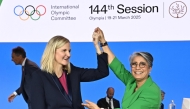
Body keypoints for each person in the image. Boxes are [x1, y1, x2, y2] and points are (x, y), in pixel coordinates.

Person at [82, 27, 161, 109]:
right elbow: (118, 67)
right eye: (134, 64)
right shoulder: (132, 82)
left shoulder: (152, 91)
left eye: (142, 64)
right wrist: (102, 42)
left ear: (150, 68)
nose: (137, 67)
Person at [30, 32, 109, 109]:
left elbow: (102, 72)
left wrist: (97, 46)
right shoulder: (39, 76)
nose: (68, 54)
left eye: (69, 51)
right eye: (64, 50)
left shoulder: (73, 72)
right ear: (53, 52)